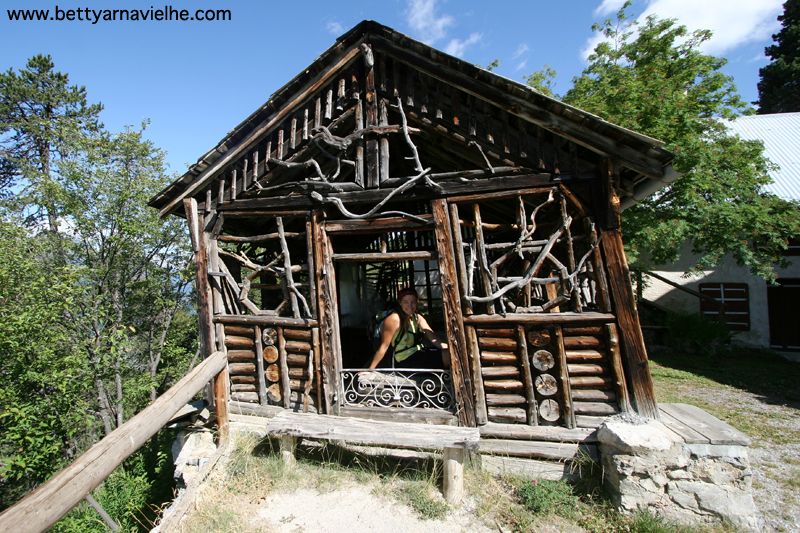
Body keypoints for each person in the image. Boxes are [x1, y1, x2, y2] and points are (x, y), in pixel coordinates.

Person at [367, 287, 450, 369]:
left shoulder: (417, 317)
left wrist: (448, 347)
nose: (410, 305)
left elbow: (433, 338)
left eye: (413, 302)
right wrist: (370, 369)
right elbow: (383, 347)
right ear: (400, 303)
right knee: (448, 356)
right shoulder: (394, 319)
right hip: (403, 360)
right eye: (405, 302)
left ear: (417, 302)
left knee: (449, 353)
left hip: (418, 353)